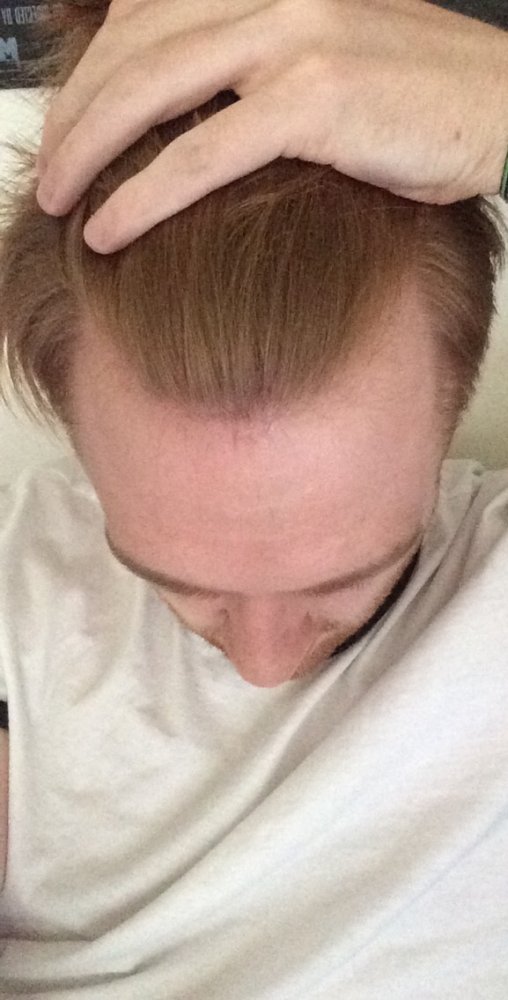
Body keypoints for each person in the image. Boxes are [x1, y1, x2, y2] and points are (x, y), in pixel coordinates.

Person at [0, 0, 507, 995]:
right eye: (179, 585)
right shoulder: (18, 594)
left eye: (348, 580)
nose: (265, 666)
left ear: (453, 410)